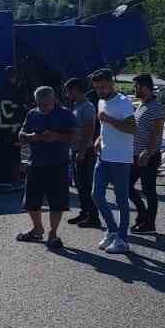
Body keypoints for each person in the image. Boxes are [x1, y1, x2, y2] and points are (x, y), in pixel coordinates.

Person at [16, 86, 75, 248]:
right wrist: (29, 137)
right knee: (31, 200)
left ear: (54, 100)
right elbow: (21, 135)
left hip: (58, 164)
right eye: (40, 104)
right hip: (36, 163)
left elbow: (75, 135)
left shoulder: (65, 114)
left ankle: (53, 233)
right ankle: (37, 228)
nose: (43, 107)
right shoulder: (32, 114)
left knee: (57, 201)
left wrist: (56, 136)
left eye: (46, 104)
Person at [91, 69, 136, 254]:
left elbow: (133, 128)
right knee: (96, 194)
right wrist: (100, 139)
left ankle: (122, 239)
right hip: (104, 156)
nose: (100, 91)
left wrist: (108, 120)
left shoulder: (123, 102)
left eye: (103, 87)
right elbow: (105, 126)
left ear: (112, 83)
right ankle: (112, 229)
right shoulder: (101, 101)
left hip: (121, 159)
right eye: (97, 88)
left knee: (121, 200)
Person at [128, 74, 165, 234]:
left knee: (148, 190)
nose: (134, 89)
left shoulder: (156, 107)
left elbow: (156, 132)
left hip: (148, 156)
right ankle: (142, 214)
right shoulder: (142, 105)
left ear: (144, 87)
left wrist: (148, 152)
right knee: (125, 185)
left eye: (136, 86)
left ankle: (149, 224)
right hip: (136, 154)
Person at [64, 78, 101, 229]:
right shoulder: (76, 106)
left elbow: (89, 130)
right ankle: (84, 212)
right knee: (79, 185)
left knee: (86, 185)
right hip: (76, 149)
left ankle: (93, 217)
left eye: (68, 91)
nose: (67, 95)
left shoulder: (87, 107)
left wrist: (82, 150)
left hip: (85, 151)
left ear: (75, 90)